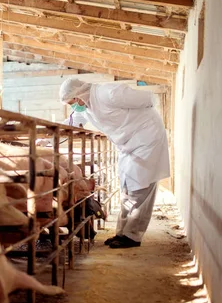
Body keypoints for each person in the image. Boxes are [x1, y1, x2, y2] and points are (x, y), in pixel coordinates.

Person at [59, 78, 170, 249]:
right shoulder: (87, 106)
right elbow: (71, 122)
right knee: (126, 187)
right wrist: (46, 140)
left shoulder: (108, 93)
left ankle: (133, 236)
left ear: (78, 93)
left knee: (140, 186)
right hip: (127, 144)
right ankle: (122, 232)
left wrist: (137, 121)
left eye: (72, 102)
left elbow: (148, 99)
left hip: (147, 138)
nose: (73, 106)